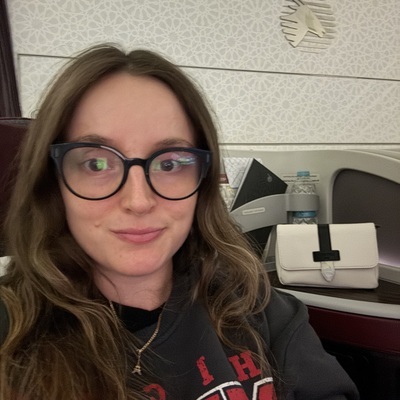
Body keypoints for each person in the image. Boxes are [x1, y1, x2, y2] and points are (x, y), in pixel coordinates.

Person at [0, 44, 359, 400]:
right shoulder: (11, 333)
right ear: (52, 181)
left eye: (169, 163)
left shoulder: (258, 308)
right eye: (96, 164)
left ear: (202, 182)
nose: (138, 201)